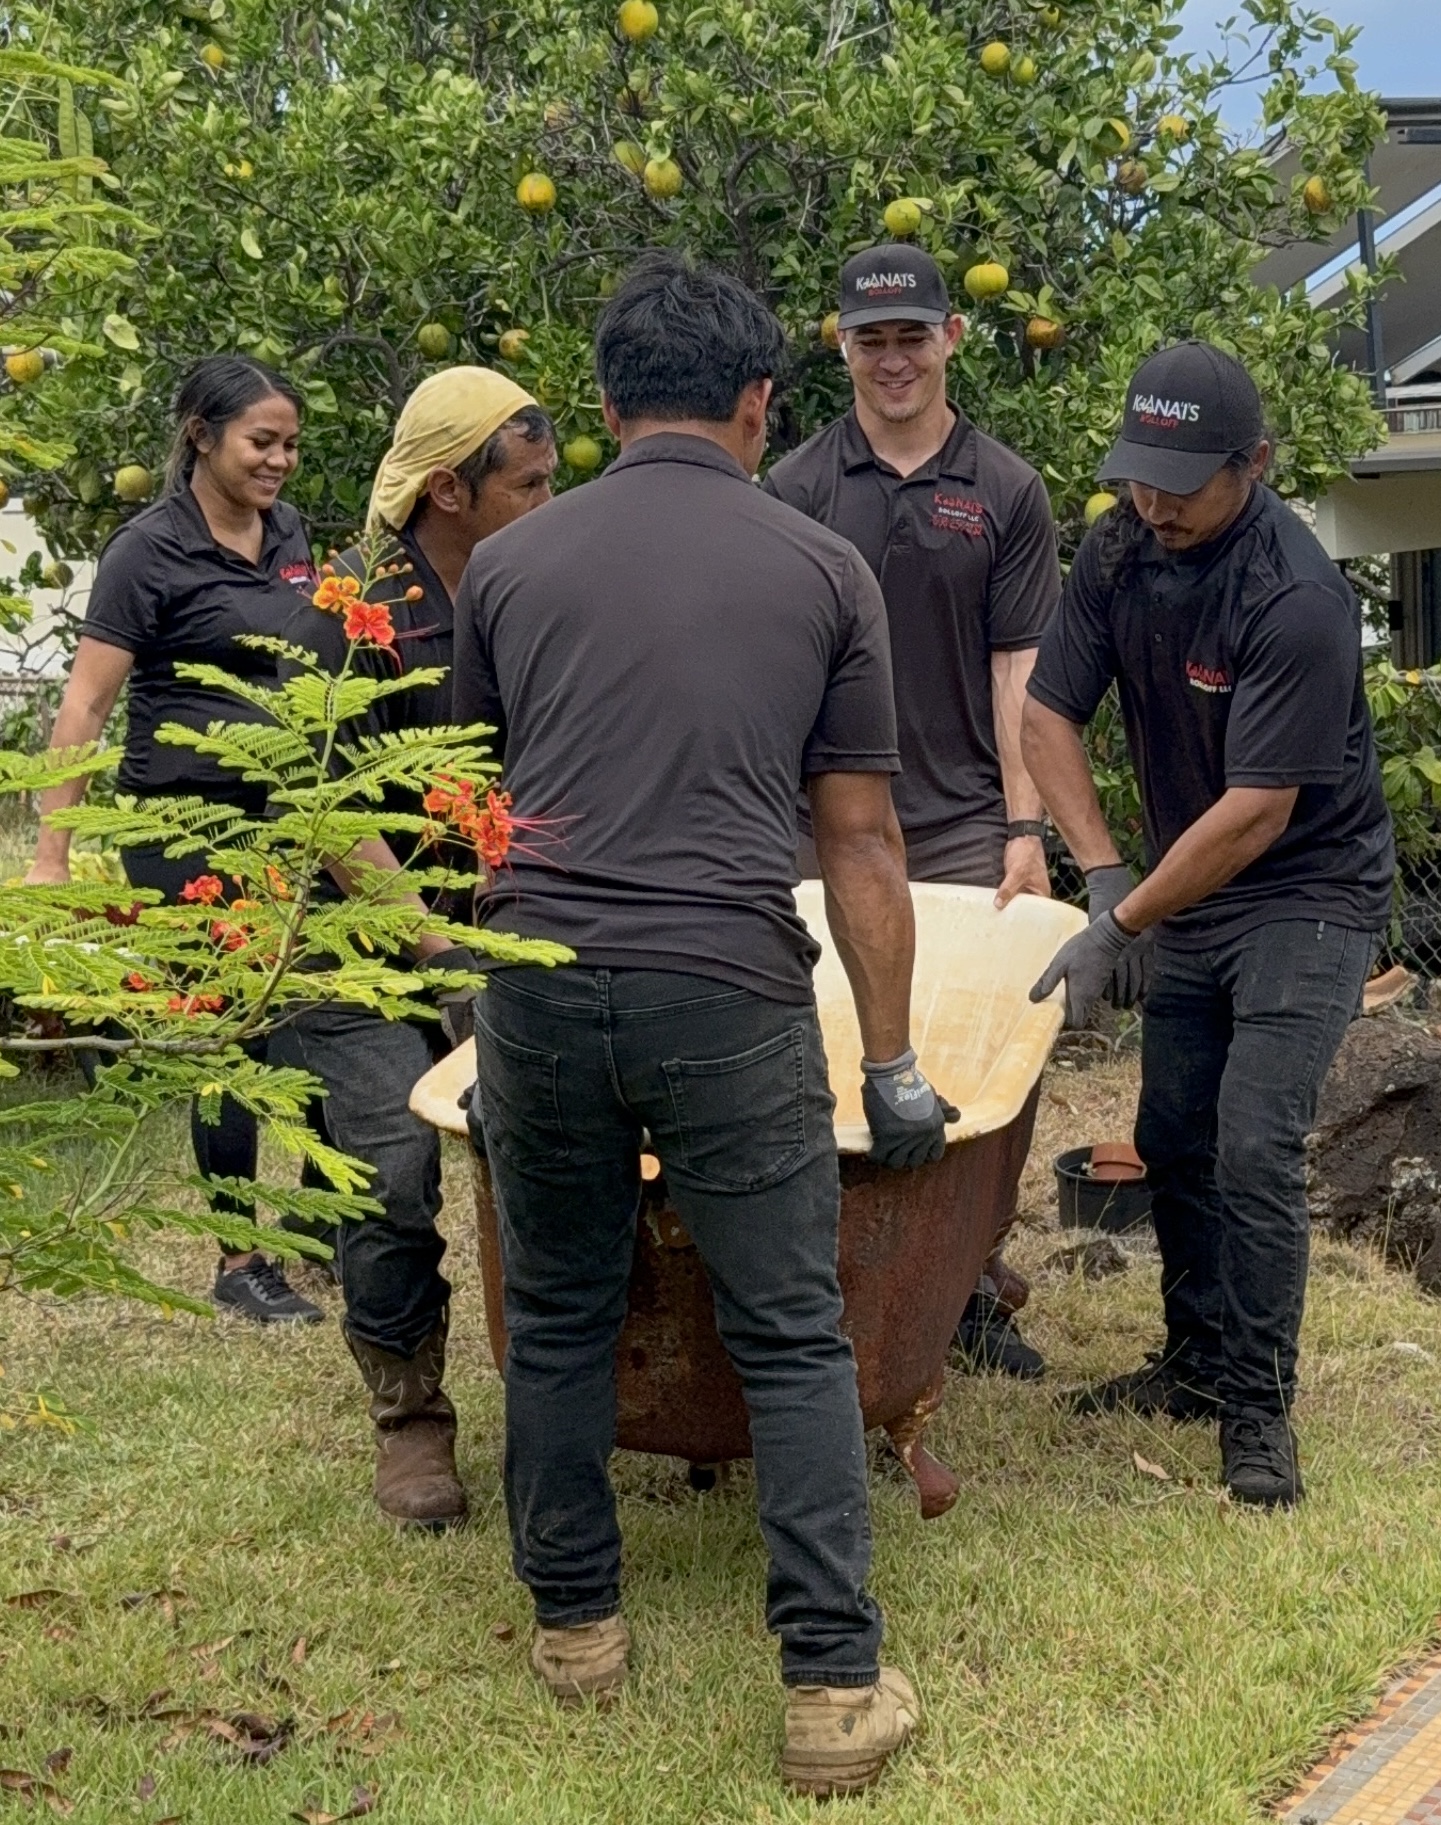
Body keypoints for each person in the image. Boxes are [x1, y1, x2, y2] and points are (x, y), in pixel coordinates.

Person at [452, 252, 950, 1797]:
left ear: (601, 408)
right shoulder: (821, 570)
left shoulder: (509, 572)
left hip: (537, 981)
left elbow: (480, 812)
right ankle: (829, 1689)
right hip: (727, 988)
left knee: (563, 1305)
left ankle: (577, 1629)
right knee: (793, 1332)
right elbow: (860, 842)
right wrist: (889, 1059)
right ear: (759, 401)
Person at [1021, 341, 1394, 1509]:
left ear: (1257, 464)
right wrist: (1097, 877)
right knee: (1171, 1132)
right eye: (1139, 474)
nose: (1153, 501)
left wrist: (1122, 919)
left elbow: (1256, 815)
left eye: (1181, 482)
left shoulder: (1294, 595)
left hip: (1306, 891)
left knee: (1250, 1140)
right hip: (1189, 886)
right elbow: (1044, 714)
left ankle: (1256, 1412)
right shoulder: (1119, 547)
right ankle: (1191, 1362)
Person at [764, 243, 1061, 1381]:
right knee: (829, 1056)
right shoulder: (794, 487)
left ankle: (968, 1281)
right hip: (815, 824)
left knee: (988, 1067)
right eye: (869, 339)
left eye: (912, 335)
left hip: (957, 825)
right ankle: (833, 1277)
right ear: (840, 347)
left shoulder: (1005, 488)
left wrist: (1024, 829)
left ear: (953, 338)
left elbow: (1018, 669)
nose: (892, 359)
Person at [278, 367, 556, 1532]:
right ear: (451, 487)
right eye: (529, 482)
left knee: (557, 1149)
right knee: (392, 1174)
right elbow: (332, 814)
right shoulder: (340, 607)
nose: (549, 502)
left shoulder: (534, 586)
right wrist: (441, 959)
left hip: (502, 928)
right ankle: (410, 1417)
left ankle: (576, 1390)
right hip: (354, 945)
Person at [25, 354, 325, 1325]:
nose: (279, 460)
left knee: (311, 1016)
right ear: (201, 436)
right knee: (225, 1036)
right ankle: (240, 1256)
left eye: (288, 443)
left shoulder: (289, 535)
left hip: (284, 821)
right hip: (179, 829)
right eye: (261, 442)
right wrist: (53, 847)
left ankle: (326, 1228)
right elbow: (85, 702)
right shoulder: (145, 550)